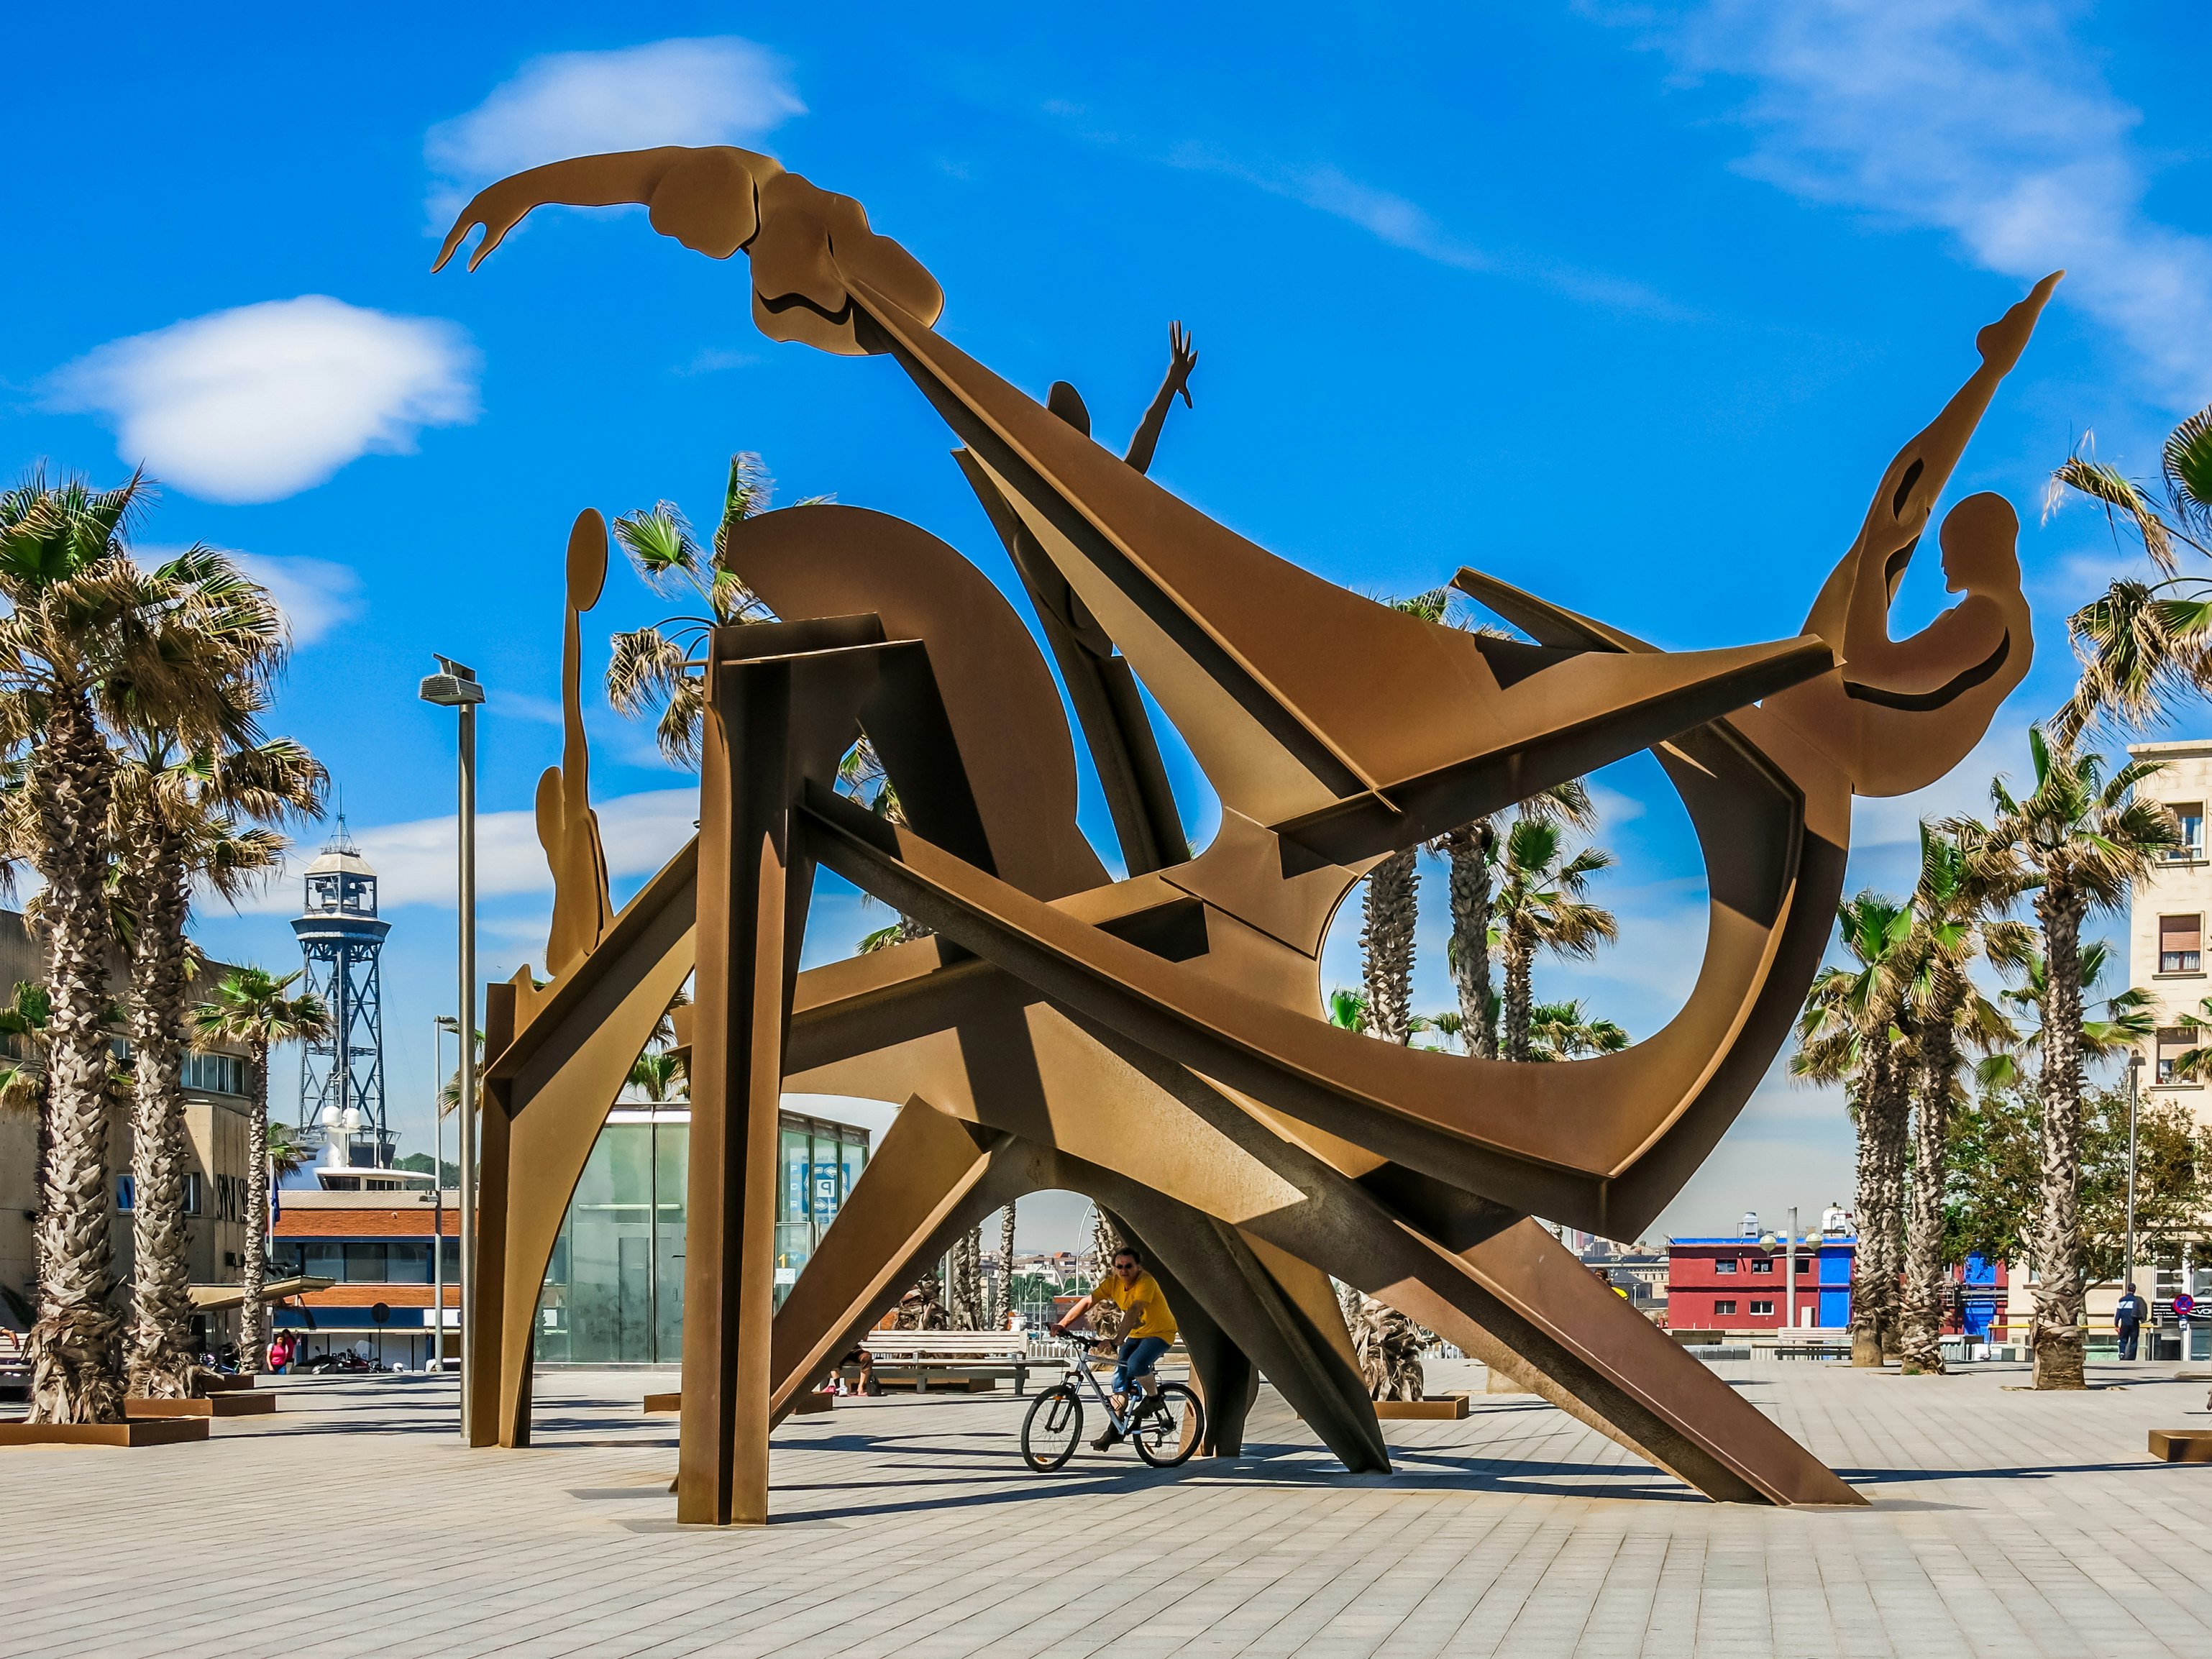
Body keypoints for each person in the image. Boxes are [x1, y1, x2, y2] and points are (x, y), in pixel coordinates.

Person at [1051, 1243, 1179, 1450]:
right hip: (1137, 1335)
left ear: (1137, 1267)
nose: (1123, 1271)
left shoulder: (1146, 1281)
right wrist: (1062, 1324)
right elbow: (1087, 1301)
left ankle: (1154, 1399)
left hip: (1160, 1334)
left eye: (1128, 1266)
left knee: (1136, 1364)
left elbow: (1135, 1309)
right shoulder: (1113, 1283)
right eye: (1119, 1267)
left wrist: (1117, 1340)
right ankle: (1115, 1431)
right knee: (1119, 1380)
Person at [2116, 1282, 2147, 1361]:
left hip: (2124, 1323)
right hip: (2134, 1323)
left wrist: (2116, 1324)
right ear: (2134, 1290)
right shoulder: (2137, 1300)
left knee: (2123, 1339)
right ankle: (2132, 1357)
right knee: (2134, 1340)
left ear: (2127, 1289)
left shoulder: (2122, 1300)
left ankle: (2122, 1352)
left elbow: (2118, 1313)